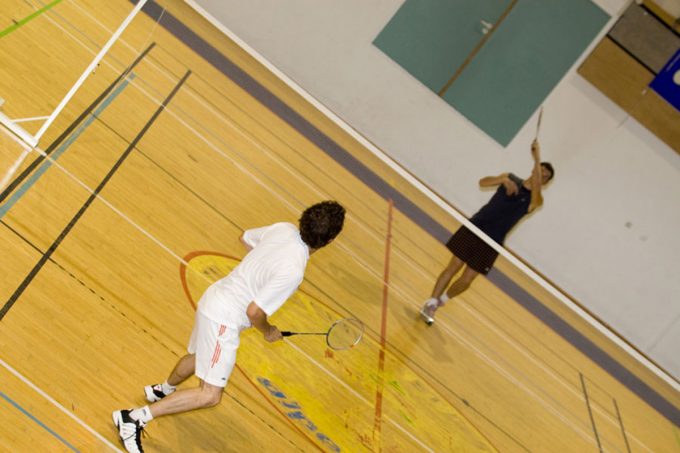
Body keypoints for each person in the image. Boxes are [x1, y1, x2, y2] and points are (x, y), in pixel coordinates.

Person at [113, 200, 346, 453]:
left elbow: (245, 238)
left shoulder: (284, 229)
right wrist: (268, 331)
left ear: (304, 217)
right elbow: (254, 311)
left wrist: (255, 273)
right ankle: (134, 419)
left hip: (214, 298)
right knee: (210, 395)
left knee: (199, 356)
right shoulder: (293, 270)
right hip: (224, 319)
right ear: (329, 241)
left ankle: (161, 390)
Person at [420, 140, 554, 325]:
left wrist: (537, 156)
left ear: (544, 182)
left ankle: (442, 300)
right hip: (477, 226)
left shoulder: (535, 201)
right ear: (534, 169)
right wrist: (503, 180)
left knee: (467, 281)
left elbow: (537, 187)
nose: (541, 175)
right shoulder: (511, 177)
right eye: (541, 170)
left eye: (545, 176)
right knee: (453, 266)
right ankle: (431, 303)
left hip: (493, 240)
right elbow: (482, 182)